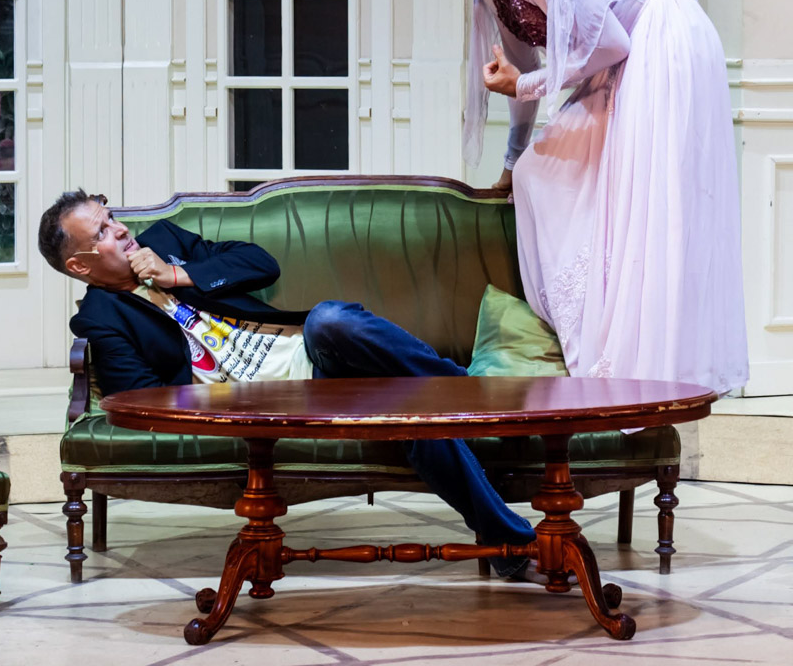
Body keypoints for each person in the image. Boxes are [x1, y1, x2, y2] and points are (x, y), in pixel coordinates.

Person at [36, 189, 537, 572]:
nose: (121, 230)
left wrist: (176, 276)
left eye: (112, 218)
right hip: (259, 401)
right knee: (408, 413)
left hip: (312, 358)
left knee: (329, 319)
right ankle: (514, 547)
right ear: (80, 265)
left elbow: (260, 264)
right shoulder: (100, 317)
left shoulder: (165, 242)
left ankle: (469, 392)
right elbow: (141, 397)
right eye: (103, 232)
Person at [395, 0, 748, 394]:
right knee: (536, 173)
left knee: (640, 200)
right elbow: (518, 70)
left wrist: (525, 85)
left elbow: (608, 43)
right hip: (623, 54)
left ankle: (639, 372)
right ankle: (596, 350)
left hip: (659, 36)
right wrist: (512, 163)